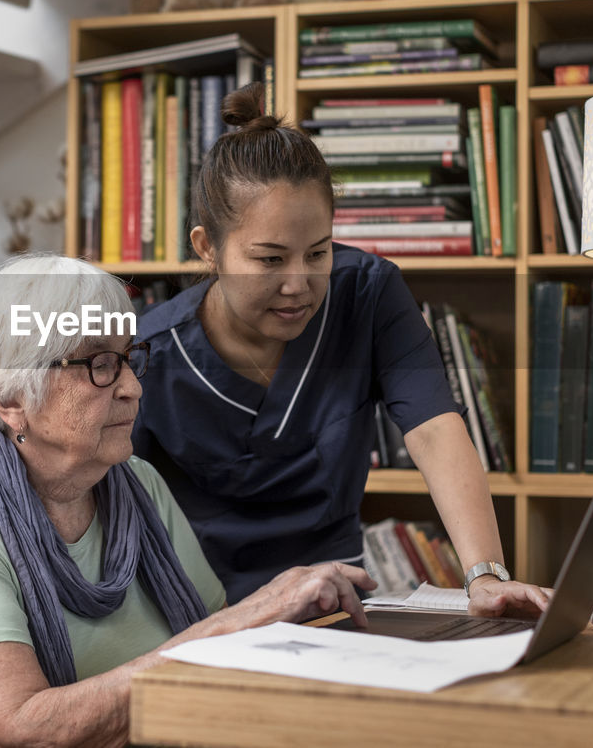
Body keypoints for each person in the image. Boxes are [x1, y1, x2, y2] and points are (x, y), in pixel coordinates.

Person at [0, 253, 373, 748]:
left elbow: (216, 660)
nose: (132, 387)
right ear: (11, 398)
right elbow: (21, 731)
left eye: (130, 359)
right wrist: (245, 619)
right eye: (100, 364)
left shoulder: (139, 483)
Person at [132, 82, 549, 616]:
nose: (299, 285)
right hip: (204, 617)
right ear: (207, 247)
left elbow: (434, 428)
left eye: (318, 252)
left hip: (337, 605)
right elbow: (112, 508)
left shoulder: (368, 293)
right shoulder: (147, 354)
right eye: (269, 259)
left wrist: (485, 576)